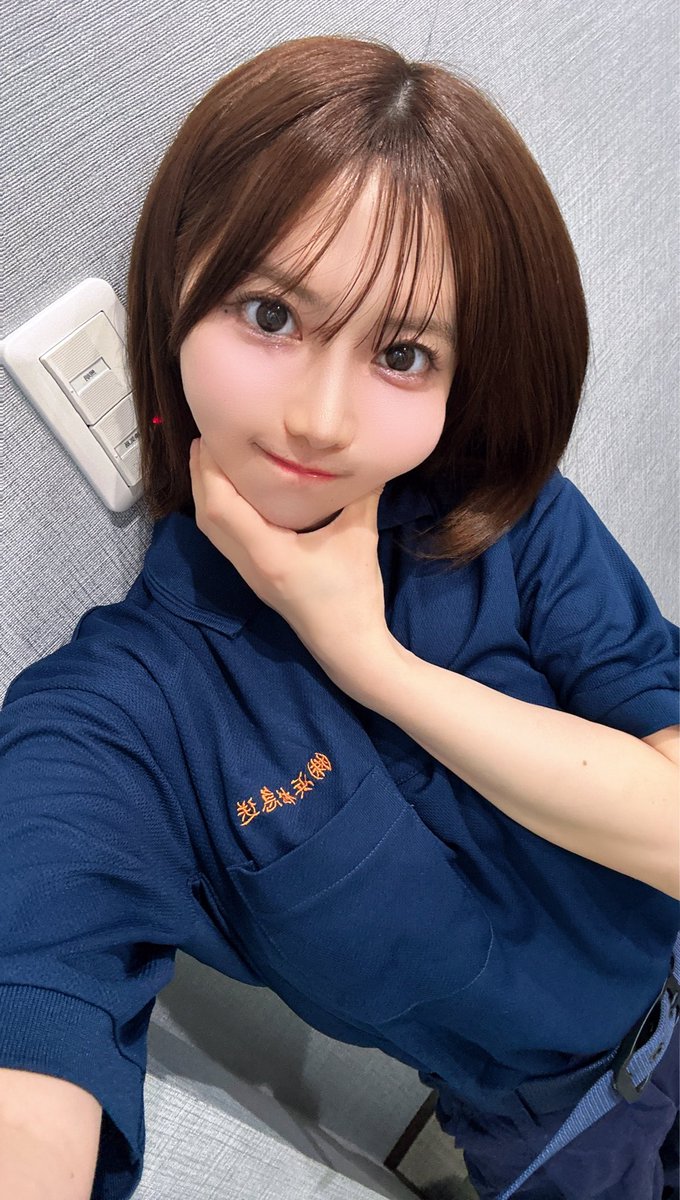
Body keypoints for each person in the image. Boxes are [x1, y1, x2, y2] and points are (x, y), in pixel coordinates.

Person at [1, 32, 678, 1200]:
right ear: (175, 299)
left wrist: (371, 661)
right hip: (556, 1143)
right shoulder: (121, 720)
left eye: (401, 352)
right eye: (269, 314)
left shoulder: (508, 519)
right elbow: (33, 997)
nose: (319, 418)